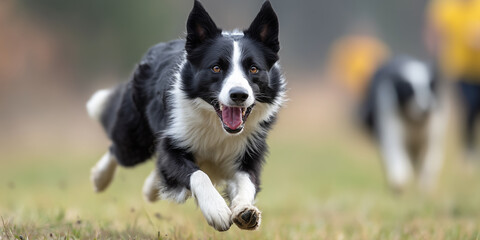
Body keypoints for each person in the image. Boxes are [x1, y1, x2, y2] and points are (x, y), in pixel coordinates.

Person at [425, 0, 480, 160]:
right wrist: (434, 51)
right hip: (458, 68)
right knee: (469, 105)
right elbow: (433, 31)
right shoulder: (444, 6)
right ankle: (469, 149)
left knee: (476, 107)